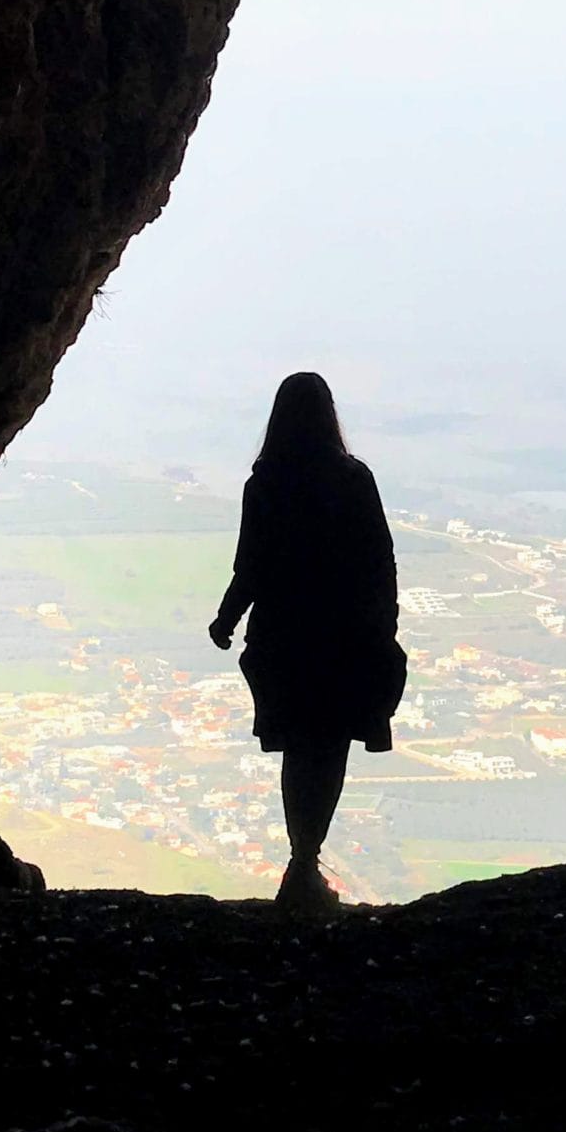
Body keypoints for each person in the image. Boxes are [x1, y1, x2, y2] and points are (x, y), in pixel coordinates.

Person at [209, 373, 405, 913]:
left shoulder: (265, 484)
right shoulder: (353, 479)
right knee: (330, 746)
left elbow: (250, 565)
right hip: (342, 638)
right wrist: (382, 629)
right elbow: (379, 561)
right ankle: (305, 863)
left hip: (285, 639)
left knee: (299, 749)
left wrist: (227, 617)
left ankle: (302, 863)